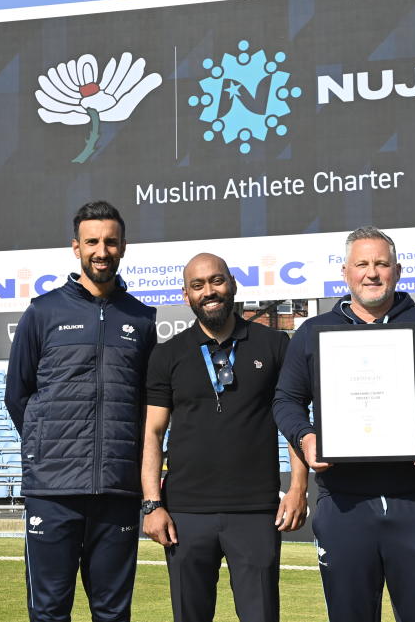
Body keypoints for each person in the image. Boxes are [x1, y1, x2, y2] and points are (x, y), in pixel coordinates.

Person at [274, 226, 415, 622]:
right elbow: (286, 400)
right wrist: (306, 436)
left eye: (381, 264)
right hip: (343, 504)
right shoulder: (313, 333)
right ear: (345, 272)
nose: (372, 273)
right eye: (362, 264)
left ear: (397, 271)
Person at [5, 201, 156, 622]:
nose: (101, 250)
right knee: (49, 612)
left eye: (110, 241)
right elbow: (17, 395)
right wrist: (48, 449)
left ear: (123, 247)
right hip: (52, 492)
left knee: (112, 613)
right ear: (76, 247)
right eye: (92, 241)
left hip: (118, 490)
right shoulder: (43, 312)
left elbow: (147, 402)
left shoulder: (142, 319)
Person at [141, 253, 308, 622]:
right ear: (186, 295)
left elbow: (295, 419)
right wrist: (152, 505)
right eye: (197, 285)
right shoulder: (167, 355)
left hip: (256, 511)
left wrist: (298, 488)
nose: (209, 291)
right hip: (184, 514)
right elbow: (152, 434)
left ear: (232, 284)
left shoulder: (276, 345)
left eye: (216, 281)